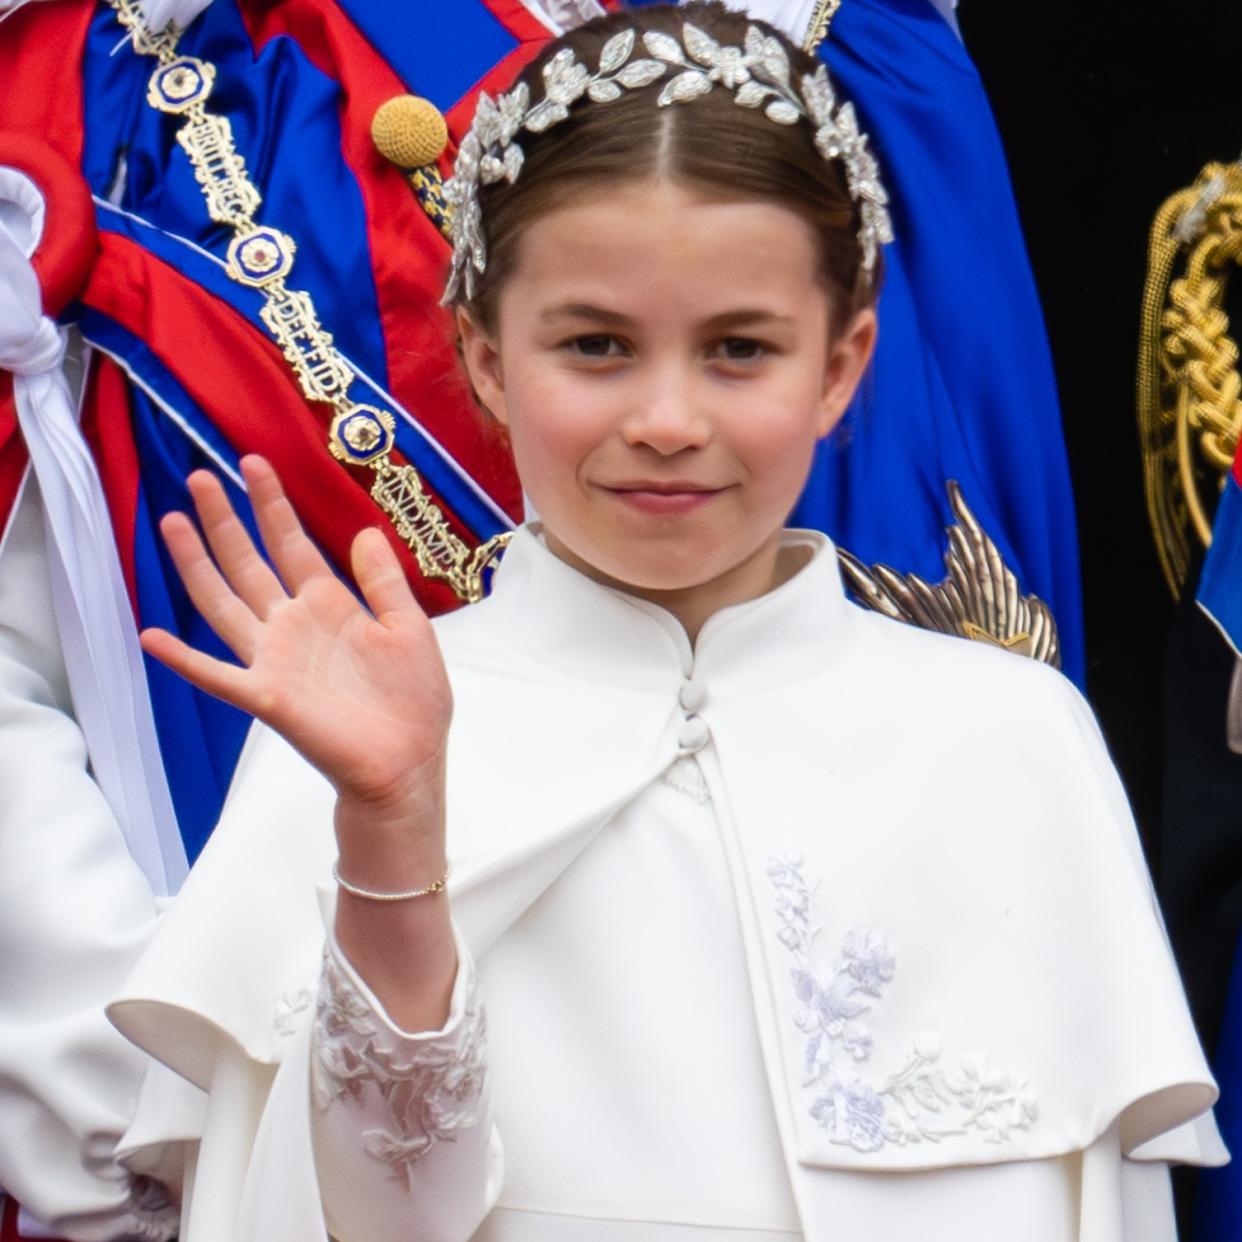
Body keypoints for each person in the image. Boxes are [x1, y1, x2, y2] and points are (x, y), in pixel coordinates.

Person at [28, 3, 1232, 1240]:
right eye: (597, 345)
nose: (666, 417)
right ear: (487, 359)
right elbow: (355, 1218)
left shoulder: (1019, 740)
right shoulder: (353, 745)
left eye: (739, 350)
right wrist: (389, 837)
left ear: (841, 363)